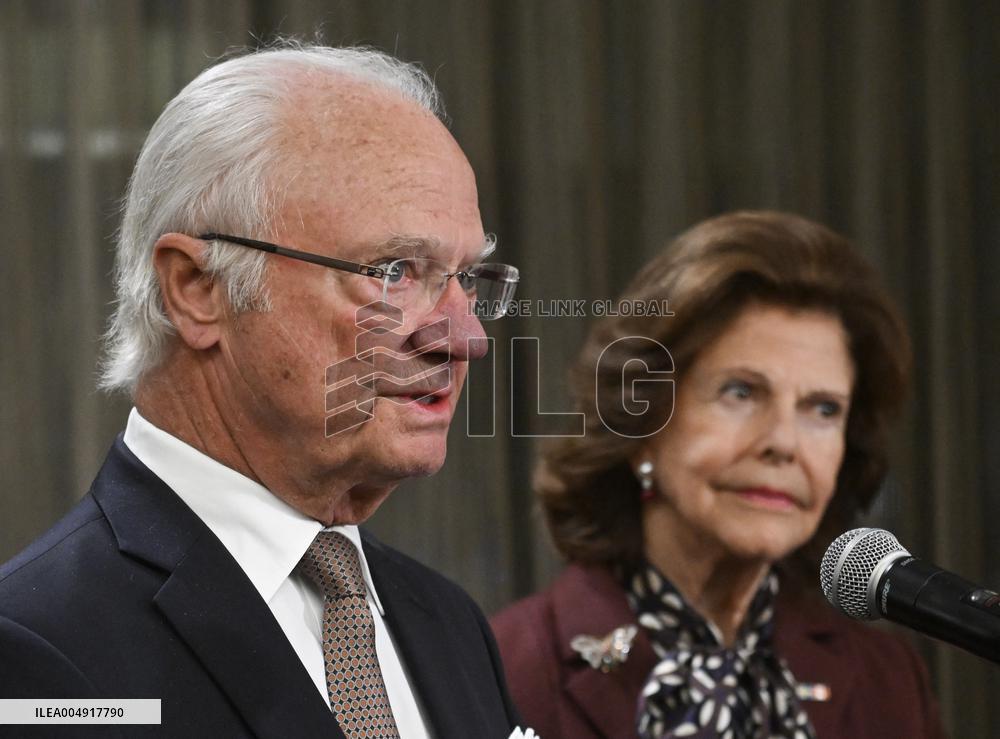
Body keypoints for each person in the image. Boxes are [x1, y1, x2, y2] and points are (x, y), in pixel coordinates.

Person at [0, 43, 523, 738]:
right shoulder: (34, 649)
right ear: (197, 289)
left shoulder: (449, 624)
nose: (464, 337)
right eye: (396, 270)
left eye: (468, 278)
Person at [491, 211, 946, 738]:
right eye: (741, 392)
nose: (783, 443)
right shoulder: (510, 671)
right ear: (642, 419)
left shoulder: (887, 682)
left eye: (823, 409)